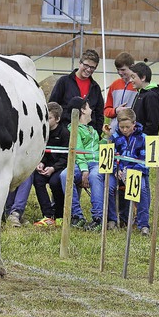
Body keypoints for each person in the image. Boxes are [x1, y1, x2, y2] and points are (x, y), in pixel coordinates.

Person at [58, 97, 107, 231]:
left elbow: (97, 147)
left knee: (95, 176)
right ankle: (76, 215)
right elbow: (78, 151)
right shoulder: (73, 129)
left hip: (96, 163)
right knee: (64, 175)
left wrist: (107, 137)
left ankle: (98, 218)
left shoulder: (91, 129)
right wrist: (84, 170)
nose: (92, 110)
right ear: (83, 110)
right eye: (89, 106)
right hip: (81, 164)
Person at [104, 108, 150, 235]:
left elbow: (144, 160)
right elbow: (108, 156)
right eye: (121, 127)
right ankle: (112, 219)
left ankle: (143, 224)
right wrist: (115, 170)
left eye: (127, 127)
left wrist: (130, 172)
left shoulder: (143, 138)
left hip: (136, 171)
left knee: (142, 188)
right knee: (109, 186)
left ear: (134, 124)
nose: (124, 130)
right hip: (117, 172)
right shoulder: (114, 138)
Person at [49, 49, 105, 134]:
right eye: (86, 65)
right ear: (80, 63)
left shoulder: (95, 88)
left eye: (92, 67)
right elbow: (53, 106)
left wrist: (98, 134)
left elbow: (99, 114)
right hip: (65, 132)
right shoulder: (64, 82)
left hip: (88, 135)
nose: (89, 69)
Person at [33, 102, 70, 227]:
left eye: (49, 118)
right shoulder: (44, 133)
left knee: (55, 182)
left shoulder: (65, 133)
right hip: (47, 167)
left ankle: (59, 215)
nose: (46, 121)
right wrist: (41, 163)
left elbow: (65, 157)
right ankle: (47, 215)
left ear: (58, 119)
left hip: (60, 167)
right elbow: (44, 152)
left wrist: (53, 168)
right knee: (37, 179)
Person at [104, 52, 137, 131]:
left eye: (123, 70)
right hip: (114, 131)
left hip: (131, 132)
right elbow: (106, 110)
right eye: (118, 70)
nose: (120, 72)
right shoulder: (114, 85)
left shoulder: (137, 86)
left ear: (132, 67)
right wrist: (115, 111)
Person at [129, 62, 159, 136]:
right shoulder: (139, 94)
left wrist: (142, 139)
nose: (131, 80)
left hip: (144, 141)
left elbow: (152, 123)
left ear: (143, 78)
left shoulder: (151, 96)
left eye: (133, 77)